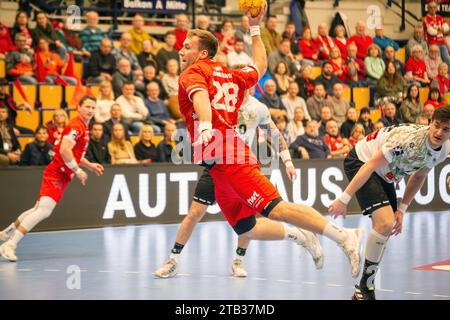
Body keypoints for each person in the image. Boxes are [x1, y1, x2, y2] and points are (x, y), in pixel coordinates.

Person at [172, 10, 363, 279]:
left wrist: (204, 125)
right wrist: (255, 29)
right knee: (245, 228)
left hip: (231, 159)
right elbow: (260, 67)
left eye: (187, 46)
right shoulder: (230, 75)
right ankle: (299, 235)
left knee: (278, 209)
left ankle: (344, 236)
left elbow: (201, 99)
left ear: (202, 54)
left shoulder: (192, 73)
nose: (181, 49)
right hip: (217, 168)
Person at [154, 86, 306, 278]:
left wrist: (288, 162)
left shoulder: (258, 108)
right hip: (216, 166)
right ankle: (172, 260)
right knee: (194, 213)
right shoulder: (220, 102)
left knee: (247, 220)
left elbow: (275, 135)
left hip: (242, 169)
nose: (241, 86)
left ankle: (238, 261)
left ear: (251, 85)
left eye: (246, 82)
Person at [329, 106, 450, 300]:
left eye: (446, 129)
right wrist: (344, 198)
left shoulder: (443, 150)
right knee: (384, 222)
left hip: (385, 174)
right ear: (430, 123)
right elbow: (369, 166)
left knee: (386, 226)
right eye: (436, 126)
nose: (439, 132)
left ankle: (362, 287)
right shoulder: (407, 140)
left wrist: (402, 209)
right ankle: (366, 287)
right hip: (362, 161)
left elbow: (419, 177)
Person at [0, 96, 104, 261]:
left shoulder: (83, 126)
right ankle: (10, 245)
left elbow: (73, 153)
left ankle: (7, 233)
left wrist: (89, 165)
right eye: (87, 107)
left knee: (37, 209)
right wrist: (77, 171)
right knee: (44, 211)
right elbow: (64, 150)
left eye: (93, 107)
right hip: (57, 173)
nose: (91, 110)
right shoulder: (77, 126)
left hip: (62, 173)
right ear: (79, 107)